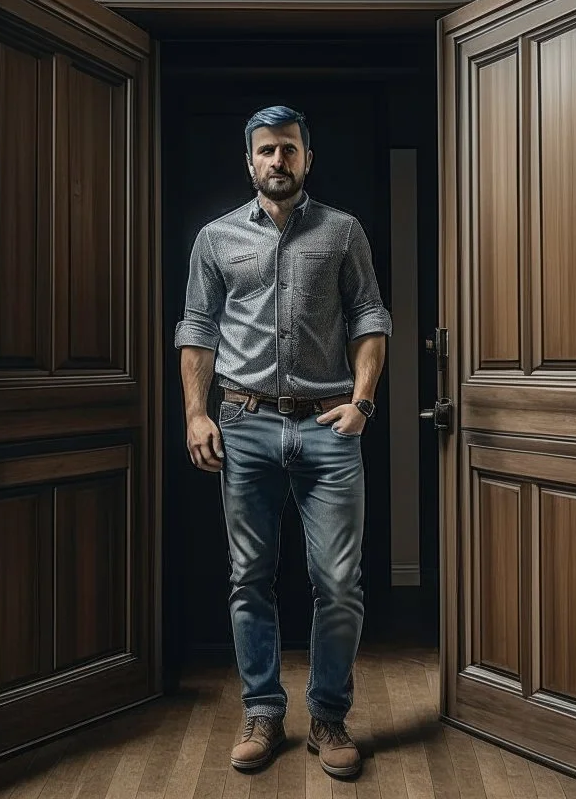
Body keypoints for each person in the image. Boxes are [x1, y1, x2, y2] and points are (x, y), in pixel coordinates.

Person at [174, 105, 391, 779]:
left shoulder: (342, 231)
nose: (278, 161)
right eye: (266, 150)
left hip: (329, 427)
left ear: (307, 157)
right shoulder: (215, 239)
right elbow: (197, 328)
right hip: (244, 423)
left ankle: (328, 717)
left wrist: (362, 402)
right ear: (249, 161)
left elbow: (369, 315)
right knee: (249, 577)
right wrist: (196, 414)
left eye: (289, 149)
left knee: (338, 581)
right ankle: (264, 712)